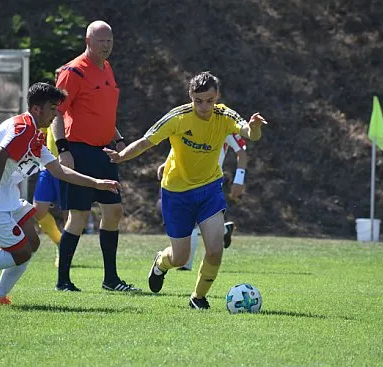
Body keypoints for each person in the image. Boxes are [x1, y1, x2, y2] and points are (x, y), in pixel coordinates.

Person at [0, 82, 121, 305]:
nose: (56, 114)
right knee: (21, 252)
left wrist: (96, 183)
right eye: (53, 108)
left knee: (31, 242)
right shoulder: (23, 129)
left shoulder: (33, 134)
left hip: (4, 198)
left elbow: (58, 170)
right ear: (37, 109)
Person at [104, 71, 267, 309]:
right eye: (198, 100)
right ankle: (160, 263)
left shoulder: (224, 115)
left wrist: (254, 127)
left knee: (214, 250)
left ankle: (198, 297)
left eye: (210, 100)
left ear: (217, 97)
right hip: (176, 192)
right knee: (180, 257)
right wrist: (121, 155)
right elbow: (147, 140)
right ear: (190, 95)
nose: (204, 106)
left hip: (209, 189)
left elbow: (250, 135)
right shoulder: (178, 117)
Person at [51, 20, 140, 292]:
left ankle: (110, 280)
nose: (106, 45)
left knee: (114, 211)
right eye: (101, 40)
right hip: (78, 150)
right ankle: (63, 280)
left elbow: (102, 113)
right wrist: (63, 149)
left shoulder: (108, 69)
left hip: (104, 153)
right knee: (78, 216)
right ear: (88, 41)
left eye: (109, 41)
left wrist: (120, 139)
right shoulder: (73, 72)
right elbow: (56, 112)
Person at [156, 132, 248, 270]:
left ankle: (185, 265)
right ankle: (223, 230)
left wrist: (239, 180)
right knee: (194, 222)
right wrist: (167, 162)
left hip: (210, 183)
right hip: (183, 181)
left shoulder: (225, 121)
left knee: (194, 222)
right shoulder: (191, 117)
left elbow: (242, 152)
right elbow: (182, 146)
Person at [32, 127, 65, 267]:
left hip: (67, 168)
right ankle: (60, 244)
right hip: (47, 168)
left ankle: (66, 254)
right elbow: (41, 131)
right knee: (38, 212)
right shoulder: (51, 110)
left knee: (69, 215)